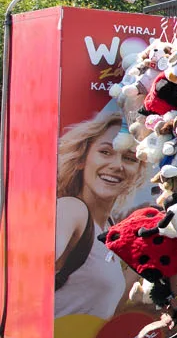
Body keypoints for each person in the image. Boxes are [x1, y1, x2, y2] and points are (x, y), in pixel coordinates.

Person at [54, 113, 150, 320]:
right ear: (82, 159)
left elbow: (107, 310)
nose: (117, 165)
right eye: (105, 152)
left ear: (137, 172)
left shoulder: (109, 228)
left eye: (129, 158)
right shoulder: (71, 209)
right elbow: (30, 271)